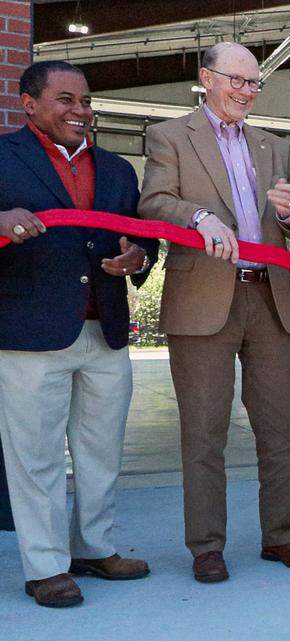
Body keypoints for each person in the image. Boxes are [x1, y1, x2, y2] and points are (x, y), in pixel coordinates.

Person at [139, 42, 290, 583]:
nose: (246, 91)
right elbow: (153, 203)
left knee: (282, 431)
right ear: (207, 78)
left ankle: (282, 535)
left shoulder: (277, 148)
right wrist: (198, 217)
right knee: (204, 433)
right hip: (202, 299)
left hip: (271, 298)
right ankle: (206, 546)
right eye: (235, 80)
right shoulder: (170, 136)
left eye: (253, 82)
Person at [0, 61, 158, 607]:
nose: (80, 111)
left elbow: (141, 234)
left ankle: (93, 547)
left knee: (101, 449)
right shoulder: (3, 156)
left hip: (105, 329)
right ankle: (45, 567)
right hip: (30, 332)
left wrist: (139, 257)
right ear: (29, 104)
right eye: (65, 99)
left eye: (86, 101)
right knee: (36, 456)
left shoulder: (117, 169)